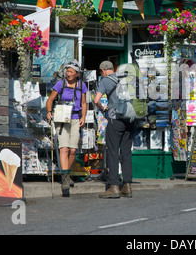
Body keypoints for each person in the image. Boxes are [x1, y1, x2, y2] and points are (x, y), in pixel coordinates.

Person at [46, 59, 87, 197]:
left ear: (77, 73)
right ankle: (64, 179)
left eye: (71, 71)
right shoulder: (60, 84)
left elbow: (83, 102)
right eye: (67, 71)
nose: (68, 74)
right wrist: (49, 111)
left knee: (73, 150)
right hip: (62, 118)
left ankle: (66, 173)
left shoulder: (82, 85)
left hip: (75, 118)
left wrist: (84, 117)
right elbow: (50, 100)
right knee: (64, 148)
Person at [94, 60, 134, 198]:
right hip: (130, 119)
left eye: (101, 72)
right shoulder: (126, 78)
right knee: (126, 153)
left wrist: (102, 109)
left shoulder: (105, 80)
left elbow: (96, 100)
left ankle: (114, 186)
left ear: (103, 70)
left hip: (115, 119)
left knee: (112, 152)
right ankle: (127, 186)